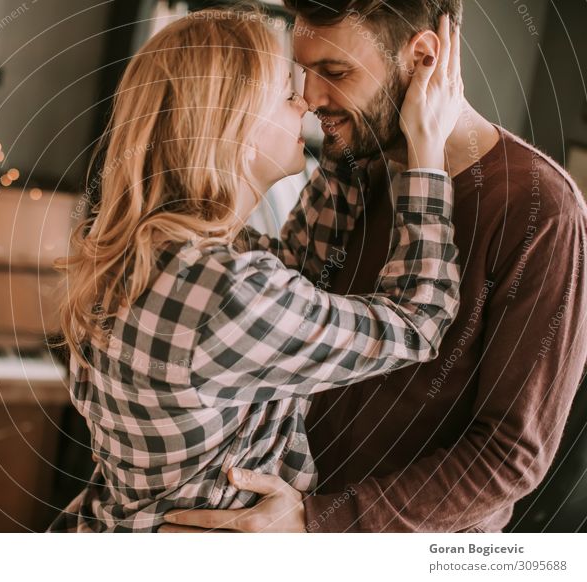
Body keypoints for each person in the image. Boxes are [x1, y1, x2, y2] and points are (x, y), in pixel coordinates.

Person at [160, 0, 587, 533]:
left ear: (423, 57)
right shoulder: (352, 163)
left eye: (335, 72)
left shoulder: (541, 208)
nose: (311, 97)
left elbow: (510, 454)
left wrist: (317, 526)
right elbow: (282, 303)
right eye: (306, 70)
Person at [50, 7, 463, 532]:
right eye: (287, 93)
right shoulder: (227, 291)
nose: (307, 103)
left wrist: (348, 130)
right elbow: (418, 323)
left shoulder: (148, 252)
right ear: (235, 125)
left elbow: (302, 270)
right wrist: (426, 152)